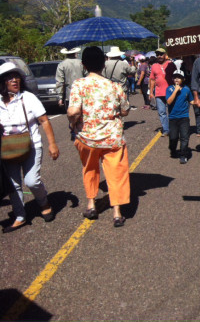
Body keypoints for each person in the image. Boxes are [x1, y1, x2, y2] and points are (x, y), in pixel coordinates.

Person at [68, 46, 131, 227]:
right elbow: (125, 111)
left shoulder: (79, 84)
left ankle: (91, 204)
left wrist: (73, 122)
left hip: (87, 138)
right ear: (104, 64)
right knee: (117, 174)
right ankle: (117, 213)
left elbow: (73, 111)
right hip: (112, 138)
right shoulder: (115, 86)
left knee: (90, 169)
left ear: (83, 64)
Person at [0, 62, 59, 233]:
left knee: (31, 181)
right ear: (2, 81)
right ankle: (20, 216)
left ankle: (43, 202)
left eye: (16, 76)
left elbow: (44, 121)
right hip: (8, 148)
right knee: (14, 185)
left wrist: (52, 144)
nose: (15, 80)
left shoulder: (28, 97)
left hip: (31, 145)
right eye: (10, 77)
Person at [56, 47, 85, 140]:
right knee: (83, 113)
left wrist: (60, 97)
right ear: (75, 53)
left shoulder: (62, 65)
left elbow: (60, 82)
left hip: (70, 94)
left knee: (72, 114)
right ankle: (82, 130)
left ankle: (73, 130)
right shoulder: (81, 63)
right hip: (83, 93)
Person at [166, 69, 194, 164]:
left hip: (184, 117)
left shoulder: (187, 89)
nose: (177, 80)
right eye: (175, 77)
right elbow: (169, 101)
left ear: (183, 79)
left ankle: (183, 155)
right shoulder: (169, 89)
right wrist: (175, 90)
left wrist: (198, 103)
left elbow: (191, 100)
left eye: (179, 78)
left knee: (184, 137)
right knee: (173, 137)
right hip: (173, 118)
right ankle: (173, 149)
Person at [149, 48, 177, 136]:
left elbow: (176, 77)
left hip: (171, 92)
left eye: (161, 54)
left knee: (172, 112)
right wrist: (151, 92)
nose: (159, 56)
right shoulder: (154, 66)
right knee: (161, 112)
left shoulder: (171, 64)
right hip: (159, 93)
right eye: (158, 54)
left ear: (165, 55)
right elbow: (152, 79)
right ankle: (166, 130)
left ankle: (174, 129)